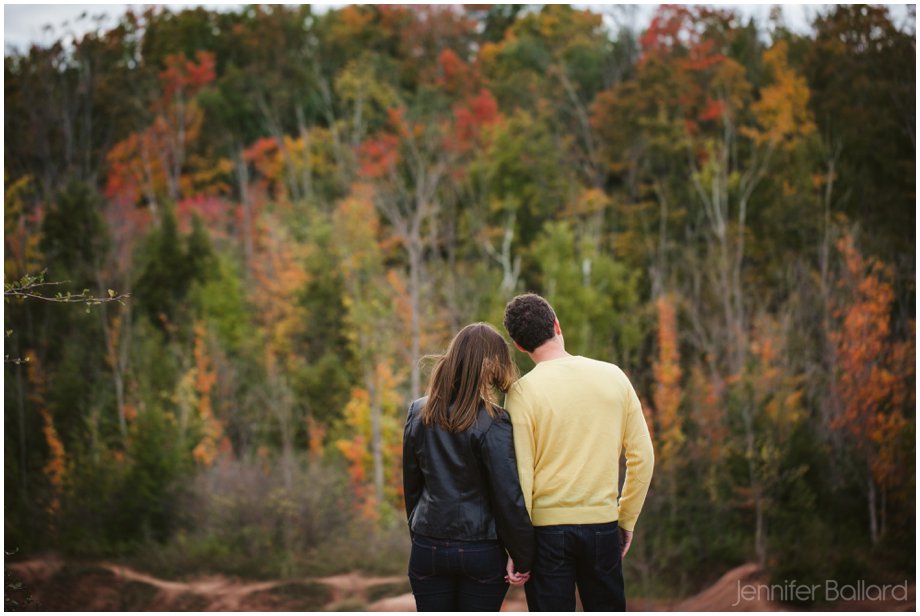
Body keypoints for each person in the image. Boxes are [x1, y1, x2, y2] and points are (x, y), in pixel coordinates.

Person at [502, 293, 655, 611]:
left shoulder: (521, 393)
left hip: (546, 533)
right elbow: (643, 457)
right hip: (602, 525)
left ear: (519, 346)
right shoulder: (614, 376)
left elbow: (521, 475)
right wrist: (625, 519)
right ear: (557, 325)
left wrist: (518, 546)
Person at [402, 322, 535, 611]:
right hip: (481, 549)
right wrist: (522, 555)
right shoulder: (494, 421)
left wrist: (420, 533)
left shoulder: (418, 412)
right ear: (490, 366)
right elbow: (507, 496)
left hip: (428, 545)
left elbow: (412, 487)